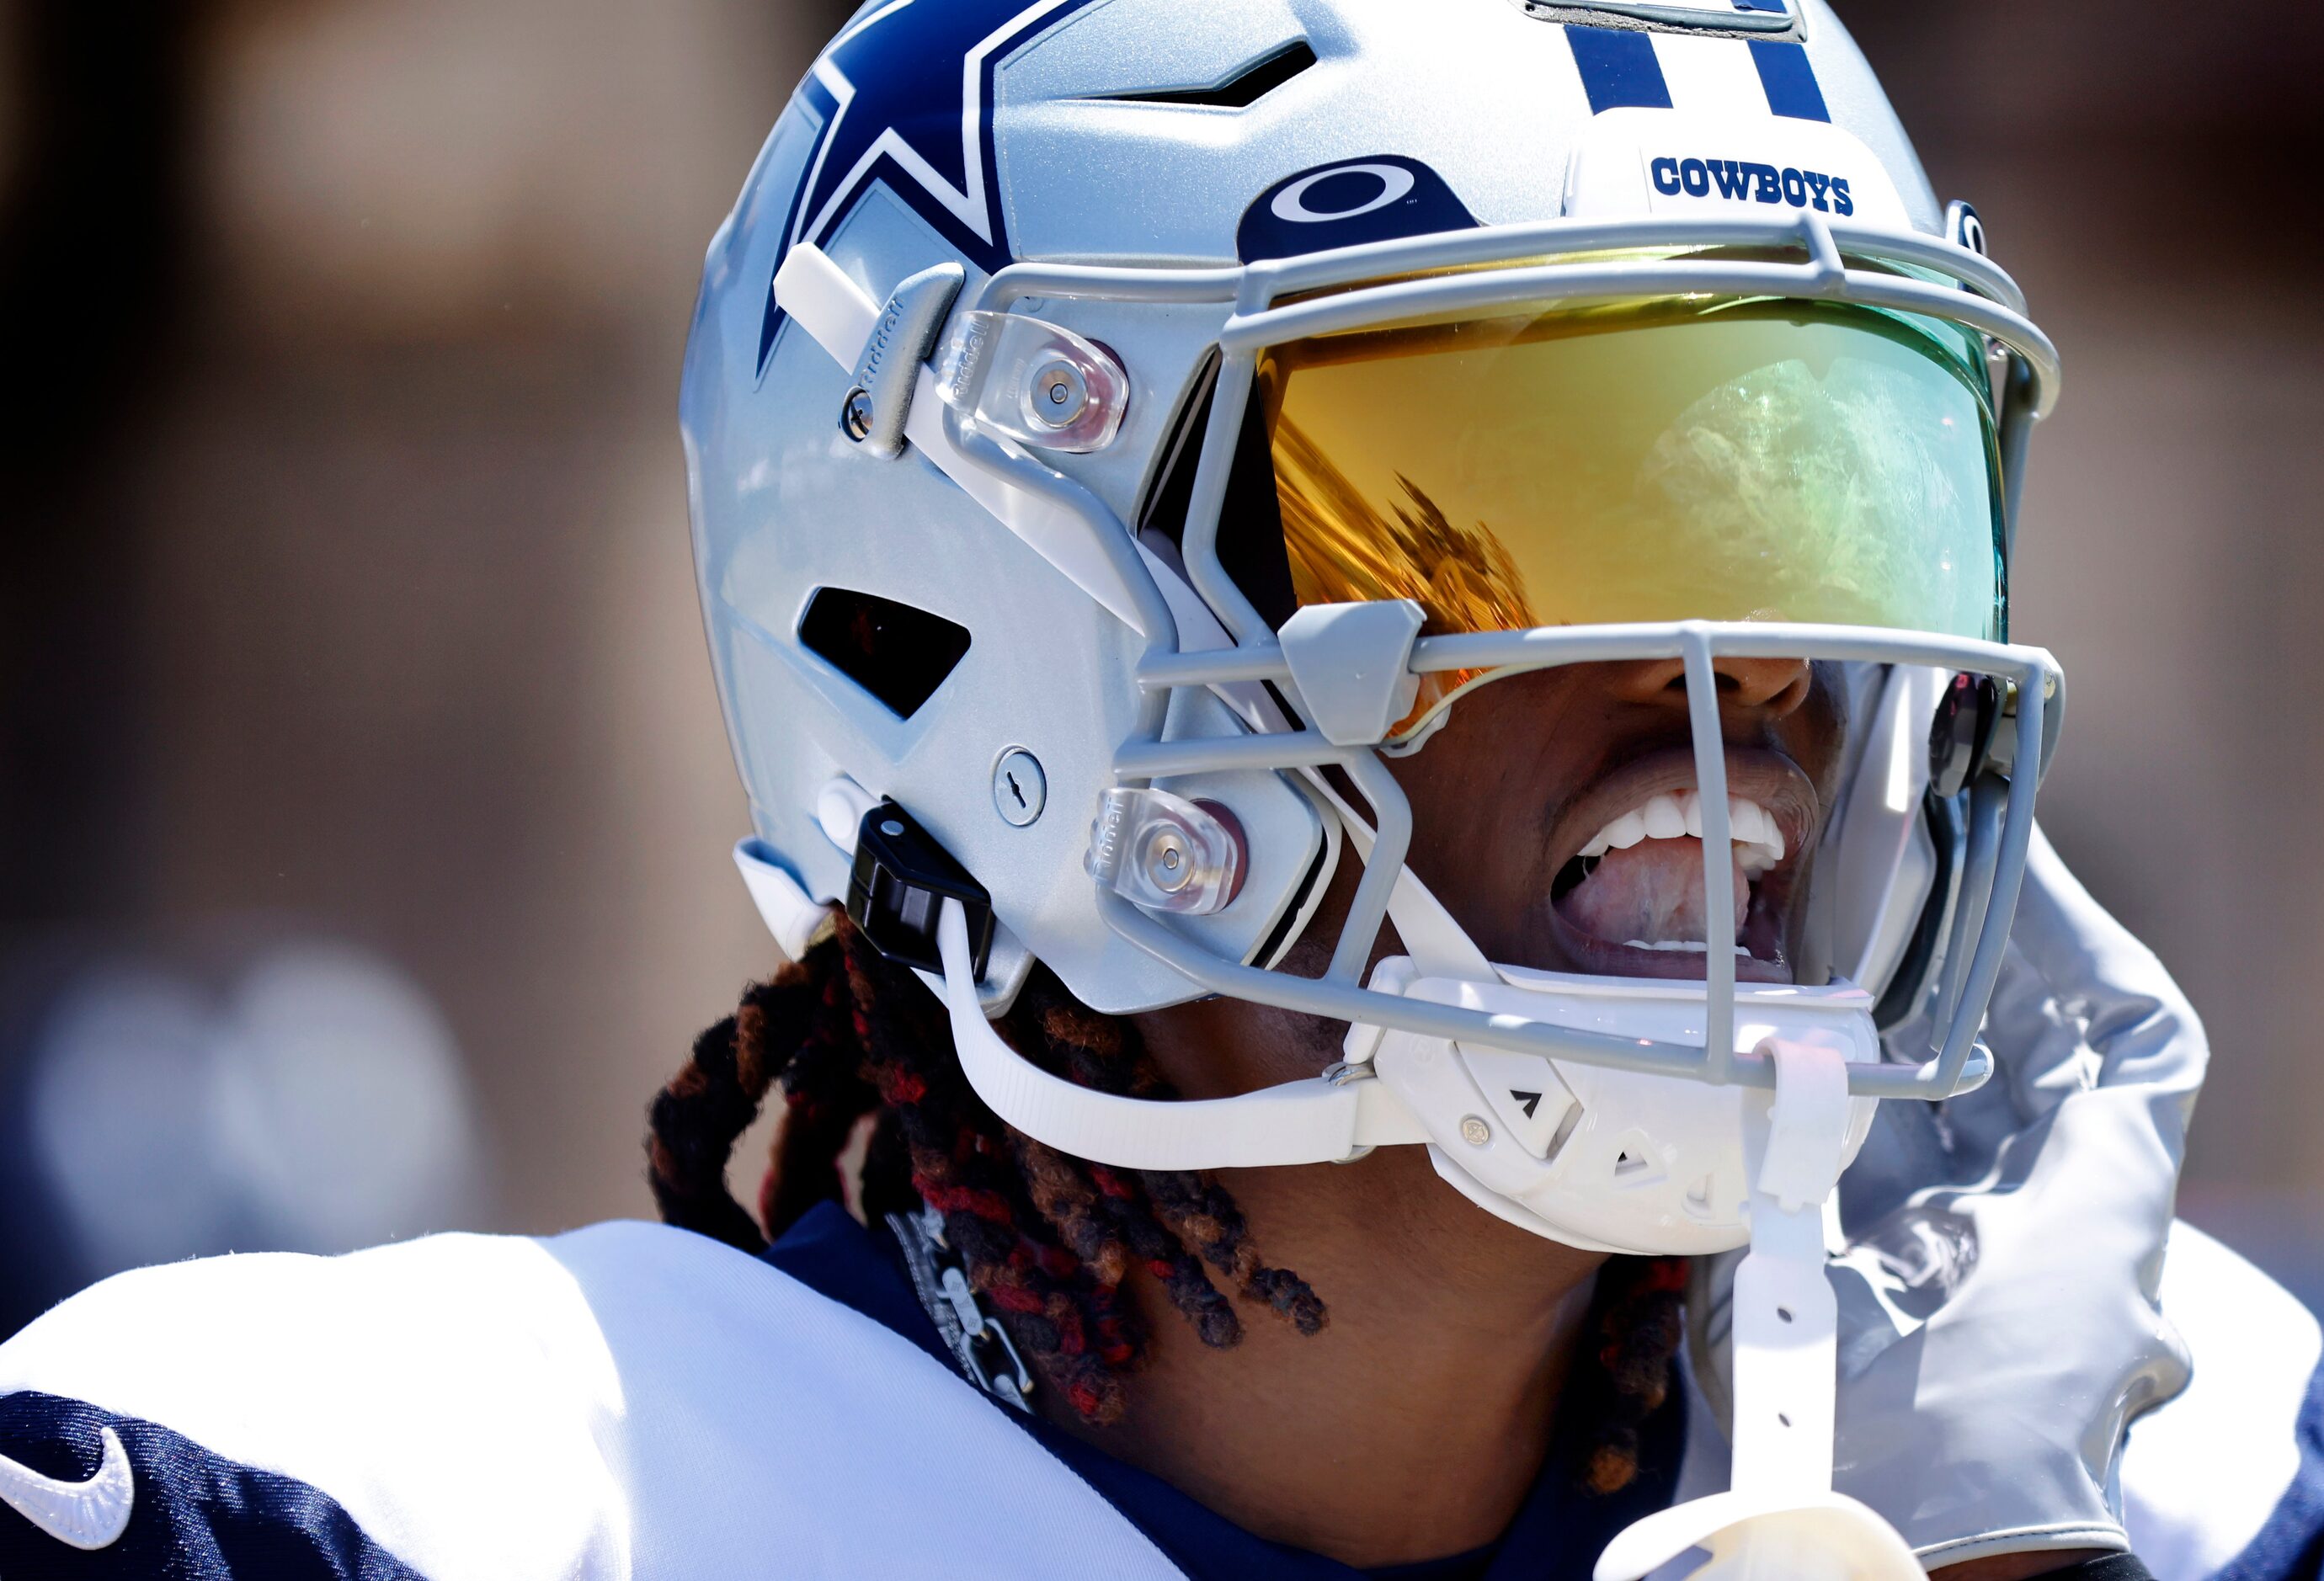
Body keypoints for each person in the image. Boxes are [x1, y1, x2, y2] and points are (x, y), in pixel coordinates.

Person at [3, 2, 2320, 1577]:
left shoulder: (2187, 1471)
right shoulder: (376, 1505)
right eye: (1521, 504)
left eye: (1826, 502)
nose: (1760, 686)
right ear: (978, 613)